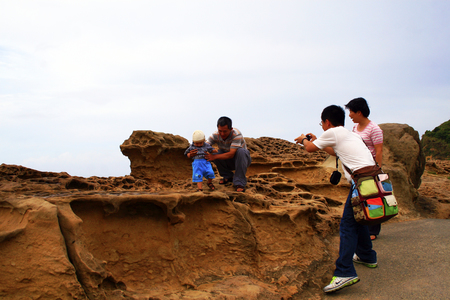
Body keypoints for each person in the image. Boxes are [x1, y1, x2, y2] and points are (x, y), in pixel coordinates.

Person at [295, 105, 378, 294]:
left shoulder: (333, 132)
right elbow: (336, 152)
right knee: (359, 219)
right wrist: (318, 141)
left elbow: (308, 149)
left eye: (321, 123)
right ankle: (367, 255)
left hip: (361, 182)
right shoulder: (349, 134)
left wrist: (303, 140)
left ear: (327, 122)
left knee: (347, 225)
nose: (322, 127)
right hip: (370, 179)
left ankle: (344, 272)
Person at [345, 97, 383, 241]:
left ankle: (373, 230)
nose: (350, 115)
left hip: (371, 168)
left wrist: (377, 169)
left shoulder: (374, 129)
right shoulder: (355, 128)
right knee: (361, 198)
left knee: (373, 197)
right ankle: (363, 225)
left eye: (351, 112)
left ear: (359, 112)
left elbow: (379, 150)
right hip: (358, 169)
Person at [205, 116, 252, 192]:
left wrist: (214, 157)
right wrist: (195, 150)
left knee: (241, 151)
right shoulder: (215, 135)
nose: (222, 134)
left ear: (231, 129)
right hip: (227, 160)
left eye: (225, 131)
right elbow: (205, 145)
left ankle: (239, 182)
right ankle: (228, 176)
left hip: (242, 160)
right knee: (216, 152)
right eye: (220, 131)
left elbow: (231, 154)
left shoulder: (237, 135)